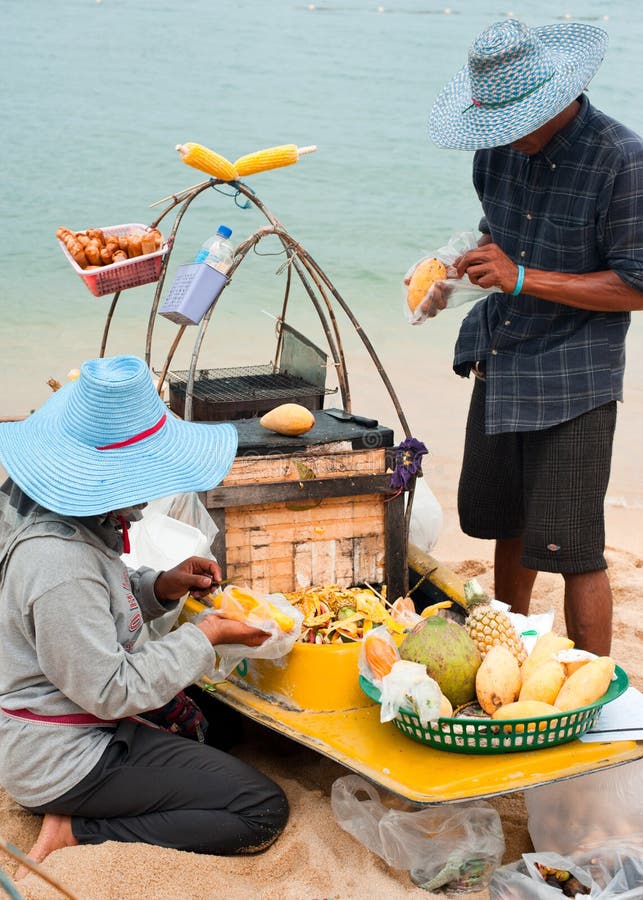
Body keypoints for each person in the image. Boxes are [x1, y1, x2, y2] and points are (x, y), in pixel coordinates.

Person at [0, 355, 289, 876]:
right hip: (63, 753)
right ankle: (76, 828)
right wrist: (207, 634)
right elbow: (110, 688)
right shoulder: (56, 563)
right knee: (260, 810)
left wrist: (159, 585)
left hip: (80, 710)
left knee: (222, 725)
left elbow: (93, 609)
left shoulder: (66, 520)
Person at [420, 19, 643, 654]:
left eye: (509, 123)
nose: (498, 138)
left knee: (576, 548)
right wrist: (451, 269)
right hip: (503, 354)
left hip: (576, 376)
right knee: (506, 526)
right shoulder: (498, 149)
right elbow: (496, 233)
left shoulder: (621, 160)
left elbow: (636, 285)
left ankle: (596, 685)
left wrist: (522, 278)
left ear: (553, 101)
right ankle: (505, 654)